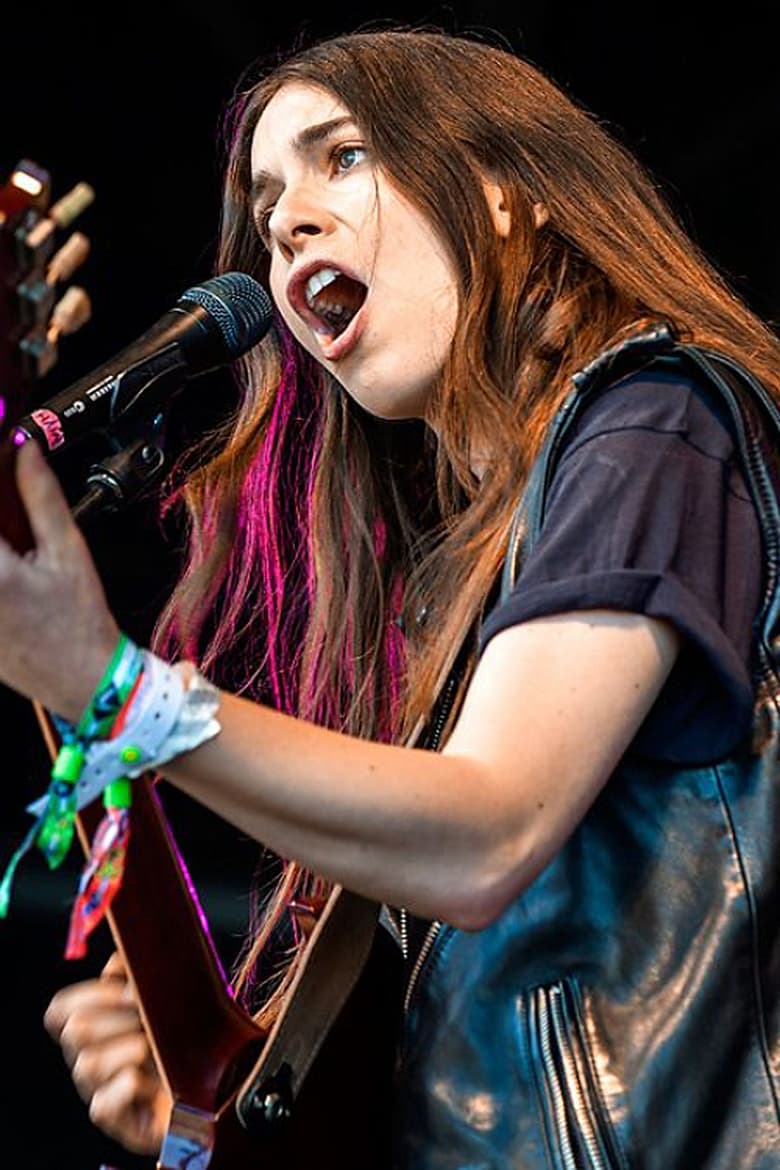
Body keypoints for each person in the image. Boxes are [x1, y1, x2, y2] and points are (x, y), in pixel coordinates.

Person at [1, 25, 779, 1169]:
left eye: (344, 157)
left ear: (508, 194)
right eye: (267, 203)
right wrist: (218, 1094)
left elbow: (486, 832)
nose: (285, 221)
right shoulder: (451, 597)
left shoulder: (656, 421)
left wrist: (119, 696)